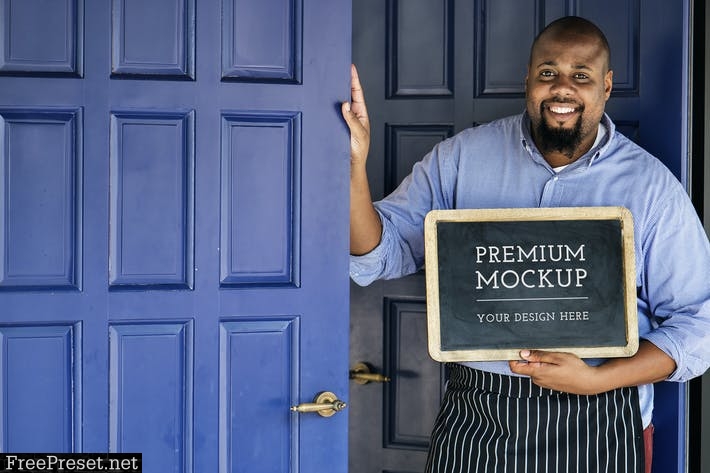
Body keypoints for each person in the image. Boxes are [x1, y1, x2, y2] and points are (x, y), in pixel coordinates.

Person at [341, 16, 710, 473]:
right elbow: (378, 254)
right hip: (479, 421)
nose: (562, 89)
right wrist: (353, 166)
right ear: (528, 80)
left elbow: (698, 328)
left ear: (607, 86)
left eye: (581, 76)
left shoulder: (652, 188)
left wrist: (596, 380)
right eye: (548, 73)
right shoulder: (460, 159)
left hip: (603, 421)